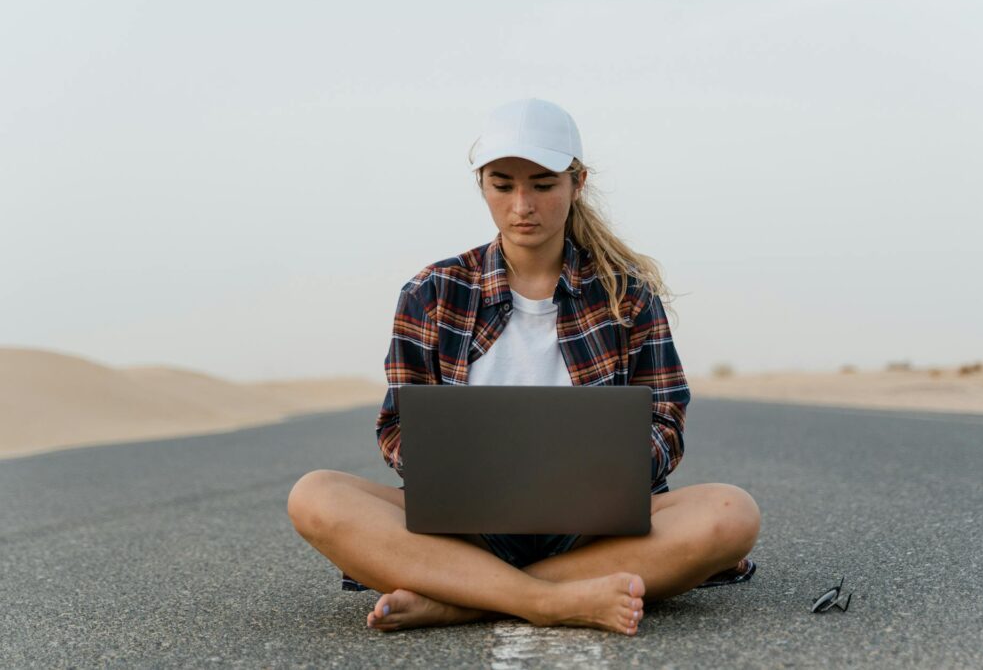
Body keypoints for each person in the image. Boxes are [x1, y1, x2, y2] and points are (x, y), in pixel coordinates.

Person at [287, 99, 761, 636]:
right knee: (315, 495)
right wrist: (457, 475)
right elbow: (398, 427)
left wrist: (602, 478)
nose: (522, 205)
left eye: (542, 184)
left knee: (732, 512)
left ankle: (464, 597)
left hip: (594, 532)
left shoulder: (626, 294)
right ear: (481, 185)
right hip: (468, 527)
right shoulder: (433, 292)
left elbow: (666, 422)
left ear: (576, 183)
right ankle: (545, 599)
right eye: (502, 184)